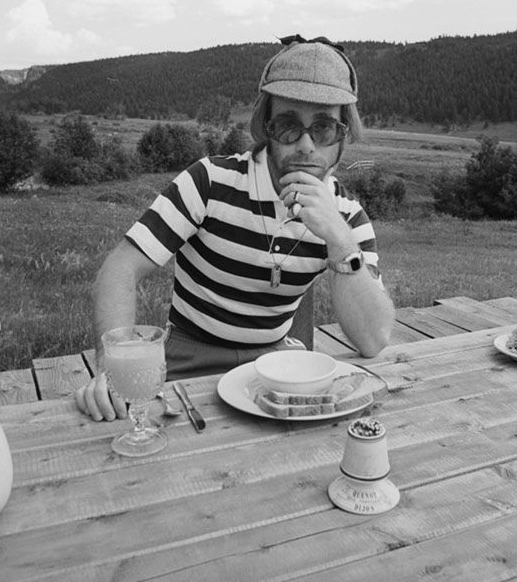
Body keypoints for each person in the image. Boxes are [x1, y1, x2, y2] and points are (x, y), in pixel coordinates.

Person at [78, 35, 396, 421]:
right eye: (288, 126)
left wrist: (340, 241)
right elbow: (121, 268)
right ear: (266, 127)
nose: (307, 146)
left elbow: (373, 340)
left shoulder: (347, 217)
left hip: (274, 364)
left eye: (324, 128)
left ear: (344, 134)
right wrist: (113, 366)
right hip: (186, 355)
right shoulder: (210, 180)